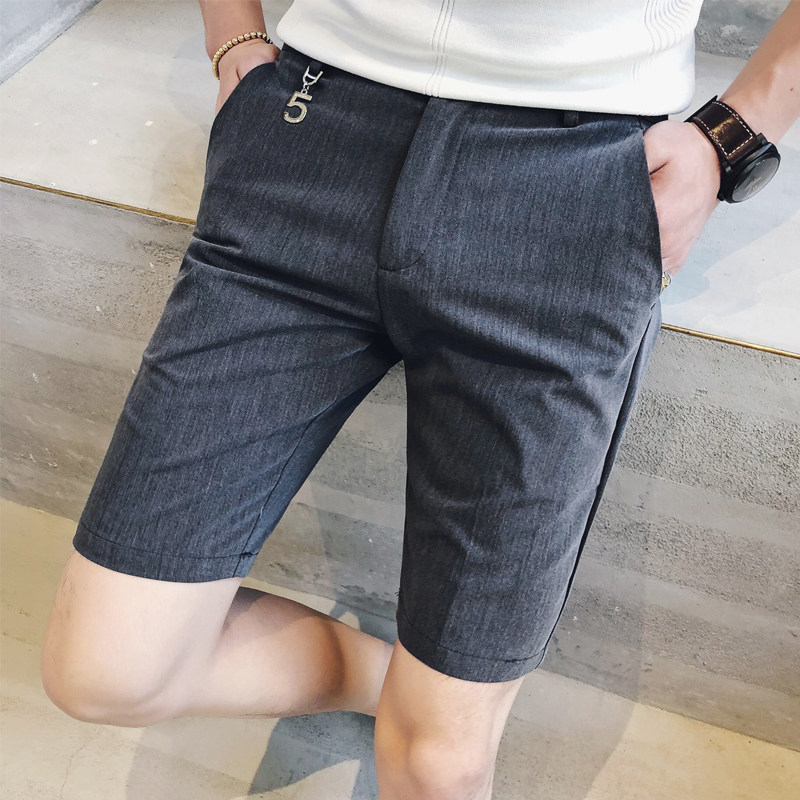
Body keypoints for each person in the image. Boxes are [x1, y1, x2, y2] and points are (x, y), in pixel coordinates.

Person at [40, 1, 799, 798]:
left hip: (574, 178)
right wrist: (231, 32)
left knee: (440, 768)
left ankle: (432, 703)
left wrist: (734, 134)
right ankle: (396, 686)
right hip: (312, 130)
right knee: (104, 674)